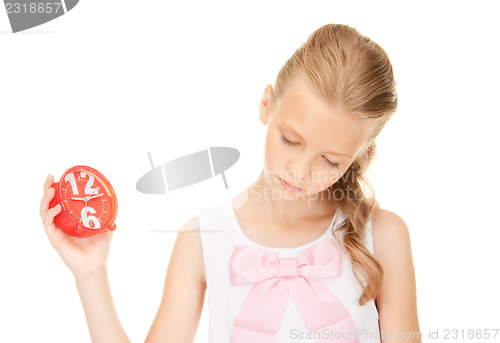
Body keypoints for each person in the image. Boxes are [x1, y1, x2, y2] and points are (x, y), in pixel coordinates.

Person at [40, 23, 420, 343]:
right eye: (290, 139)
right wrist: (91, 274)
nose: (300, 170)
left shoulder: (382, 236)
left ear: (358, 154)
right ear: (266, 105)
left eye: (331, 160)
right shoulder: (204, 238)